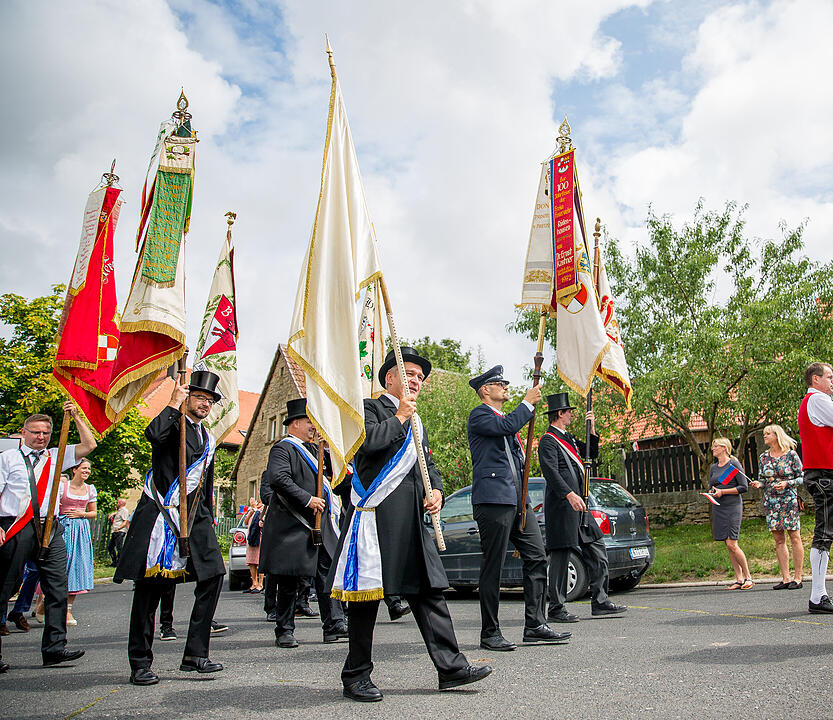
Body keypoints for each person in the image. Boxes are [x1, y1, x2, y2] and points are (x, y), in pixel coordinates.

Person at [330, 347, 491, 702]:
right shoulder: (369, 409)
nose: (417, 381)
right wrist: (400, 416)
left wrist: (437, 491)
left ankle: (451, 668)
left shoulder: (417, 422)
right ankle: (356, 675)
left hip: (413, 522)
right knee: (366, 600)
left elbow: (426, 465)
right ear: (390, 378)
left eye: (420, 377)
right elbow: (367, 445)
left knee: (429, 591)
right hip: (379, 519)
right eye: (410, 374)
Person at [114, 371, 226, 686]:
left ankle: (195, 654)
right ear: (186, 398)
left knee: (214, 575)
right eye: (200, 397)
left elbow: (205, 482)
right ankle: (140, 662)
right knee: (150, 590)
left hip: (195, 515)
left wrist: (208, 515)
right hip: (161, 513)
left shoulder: (207, 437)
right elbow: (153, 435)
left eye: (209, 400)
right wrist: (172, 404)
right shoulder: (172, 424)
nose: (205, 404)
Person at [466, 365, 569, 650]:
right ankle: (490, 632)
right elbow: (507, 426)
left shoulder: (505, 419)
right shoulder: (480, 415)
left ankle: (535, 624)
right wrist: (527, 403)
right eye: (500, 383)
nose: (505, 387)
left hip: (518, 501)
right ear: (485, 390)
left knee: (537, 556)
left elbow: (512, 436)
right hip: (493, 501)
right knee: (493, 566)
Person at [0, 402, 95, 672]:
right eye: (35, 432)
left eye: (45, 433)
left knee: (57, 587)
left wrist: (76, 416)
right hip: (16, 525)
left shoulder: (57, 455)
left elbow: (89, 445)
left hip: (50, 527)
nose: (40, 437)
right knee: (5, 586)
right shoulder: (8, 458)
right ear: (24, 432)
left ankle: (54, 648)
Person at [260, 398, 347, 648]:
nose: (313, 427)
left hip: (320, 525)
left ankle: (333, 624)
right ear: (295, 423)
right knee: (289, 579)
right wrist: (308, 499)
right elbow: (279, 479)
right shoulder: (283, 449)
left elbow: (333, 479)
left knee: (326, 575)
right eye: (309, 421)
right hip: (293, 524)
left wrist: (327, 452)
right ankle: (284, 629)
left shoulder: (315, 451)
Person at [538, 393, 626, 623]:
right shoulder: (548, 441)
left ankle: (600, 601)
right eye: (569, 412)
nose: (572, 415)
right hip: (563, 506)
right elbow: (551, 472)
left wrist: (592, 429)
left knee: (597, 549)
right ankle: (556, 608)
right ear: (560, 413)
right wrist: (568, 494)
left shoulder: (569, 439)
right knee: (561, 558)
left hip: (580, 506)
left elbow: (591, 453)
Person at [750, 425, 805, 589]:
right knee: (778, 539)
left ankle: (798, 577)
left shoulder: (791, 455)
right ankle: (785, 578)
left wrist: (787, 483)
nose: (765, 436)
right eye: (764, 434)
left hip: (788, 500)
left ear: (777, 435)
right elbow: (763, 479)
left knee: (795, 537)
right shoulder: (763, 457)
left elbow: (802, 477)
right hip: (771, 502)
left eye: (768, 433)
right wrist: (759, 484)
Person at [798, 362, 833, 613]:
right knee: (824, 533)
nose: (832, 381)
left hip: (822, 473)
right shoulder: (818, 400)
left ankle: (818, 595)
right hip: (824, 474)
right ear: (815, 379)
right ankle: (818, 596)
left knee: (826, 532)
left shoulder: (815, 401)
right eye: (829, 377)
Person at [708, 437, 752, 590]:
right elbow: (712, 485)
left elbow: (743, 487)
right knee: (728, 544)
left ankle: (748, 577)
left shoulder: (733, 464)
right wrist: (712, 493)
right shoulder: (713, 468)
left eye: (716, 446)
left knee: (732, 543)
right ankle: (739, 579)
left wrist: (723, 492)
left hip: (732, 506)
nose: (713, 449)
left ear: (724, 448)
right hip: (718, 507)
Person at [58, 459, 97, 625]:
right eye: (84, 468)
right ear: (74, 469)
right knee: (60, 566)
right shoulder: (62, 487)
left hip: (80, 530)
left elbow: (94, 512)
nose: (87, 471)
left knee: (76, 567)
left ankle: (67, 610)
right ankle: (44, 602)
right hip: (63, 528)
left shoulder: (90, 489)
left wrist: (82, 514)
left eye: (89, 469)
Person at [242, 499, 264, 593]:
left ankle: (260, 584)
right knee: (251, 561)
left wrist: (256, 509)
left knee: (260, 560)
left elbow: (262, 520)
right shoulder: (251, 509)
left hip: (260, 538)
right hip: (251, 538)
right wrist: (251, 512)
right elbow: (245, 522)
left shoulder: (263, 508)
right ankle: (254, 583)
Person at [107, 499, 130, 566]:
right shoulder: (119, 511)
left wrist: (119, 528)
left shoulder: (124, 511)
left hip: (120, 531)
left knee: (119, 548)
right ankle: (115, 561)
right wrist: (113, 514)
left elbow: (125, 521)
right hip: (115, 531)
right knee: (110, 547)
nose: (116, 504)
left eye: (117, 502)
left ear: (121, 503)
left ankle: (119, 563)